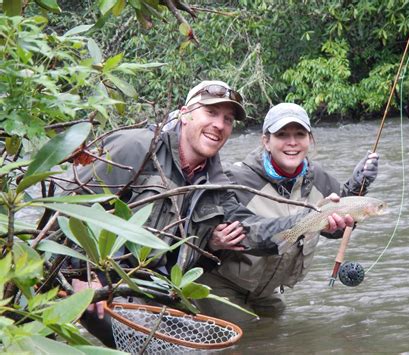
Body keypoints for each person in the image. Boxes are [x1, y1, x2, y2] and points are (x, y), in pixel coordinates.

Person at [66, 82, 354, 346]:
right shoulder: (137, 146)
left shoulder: (216, 182)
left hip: (154, 291)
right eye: (211, 113)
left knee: (217, 349)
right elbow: (69, 203)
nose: (219, 125)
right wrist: (81, 275)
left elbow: (250, 230)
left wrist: (312, 219)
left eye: (227, 119)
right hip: (93, 284)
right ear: (185, 114)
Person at [195, 103, 379, 323]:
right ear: (266, 141)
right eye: (282, 134)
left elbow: (335, 229)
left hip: (267, 292)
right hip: (222, 285)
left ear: (309, 139)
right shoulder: (235, 179)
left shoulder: (319, 178)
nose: (292, 143)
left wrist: (358, 185)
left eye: (299, 134)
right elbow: (204, 236)